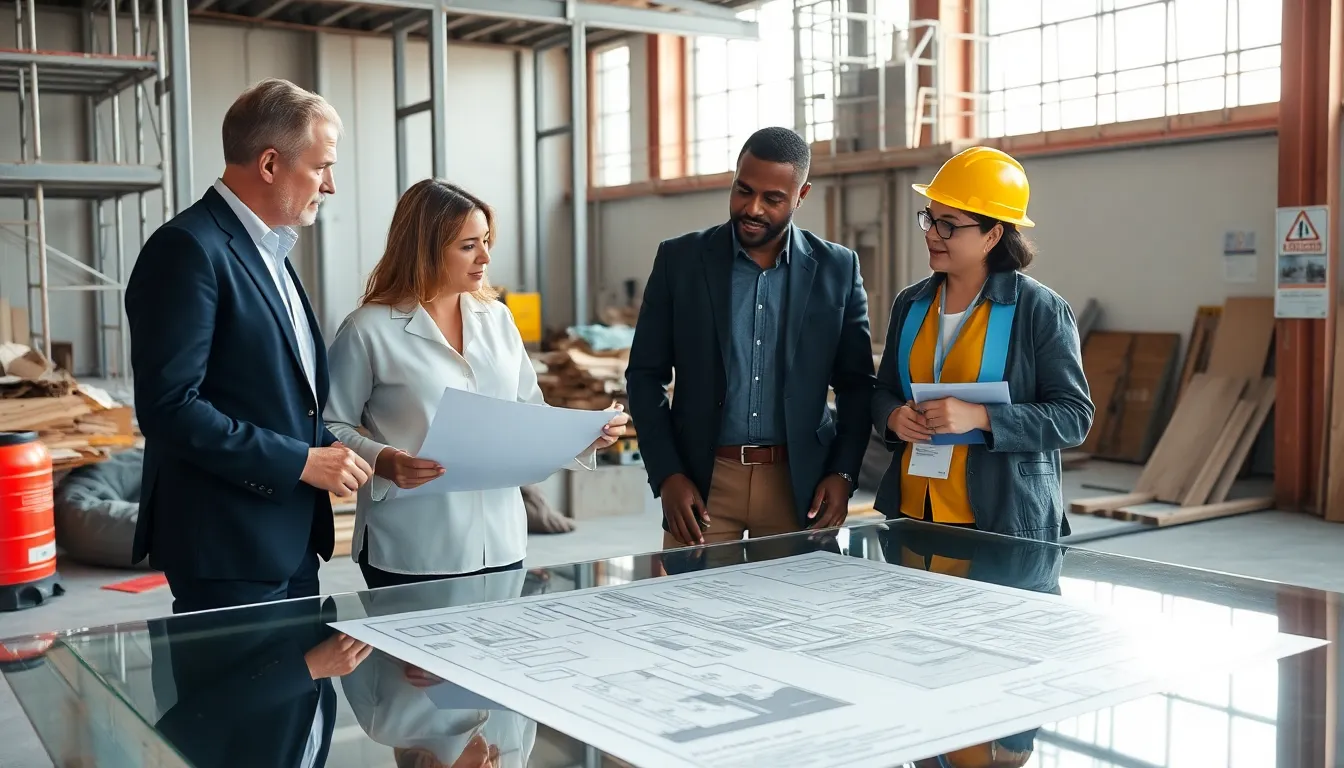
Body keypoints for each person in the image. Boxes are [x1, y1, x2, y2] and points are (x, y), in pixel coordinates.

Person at [126, 78, 373, 614]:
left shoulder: (271, 250)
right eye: (322, 166)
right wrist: (300, 462)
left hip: (287, 536)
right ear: (269, 164)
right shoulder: (187, 249)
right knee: (242, 673)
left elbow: (283, 399)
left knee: (296, 669)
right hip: (226, 545)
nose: (330, 185)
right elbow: (169, 408)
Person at [323, 179, 628, 589]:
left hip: (502, 541)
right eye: (468, 245)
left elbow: (529, 415)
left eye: (485, 241)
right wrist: (383, 460)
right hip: (412, 545)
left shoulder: (498, 319)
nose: (485, 256)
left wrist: (587, 435)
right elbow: (330, 425)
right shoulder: (368, 329)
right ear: (425, 249)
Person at [627, 126, 875, 549]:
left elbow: (856, 384)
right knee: (692, 595)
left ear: (801, 195)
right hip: (702, 484)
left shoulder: (838, 268)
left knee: (795, 596)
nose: (752, 208)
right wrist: (668, 473)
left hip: (798, 485)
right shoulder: (679, 261)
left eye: (772, 199)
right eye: (743, 190)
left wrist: (844, 474)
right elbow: (644, 375)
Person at [871, 146, 1092, 541]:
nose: (931, 234)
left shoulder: (1038, 309)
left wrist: (982, 418)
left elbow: (1074, 416)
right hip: (913, 512)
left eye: (949, 225)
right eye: (929, 219)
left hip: (1003, 517)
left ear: (993, 235)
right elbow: (884, 389)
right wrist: (892, 416)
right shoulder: (911, 304)